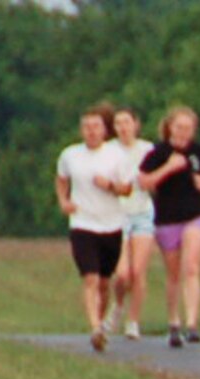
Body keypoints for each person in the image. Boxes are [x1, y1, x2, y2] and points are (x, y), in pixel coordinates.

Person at [54, 105, 133, 353]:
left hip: (111, 224)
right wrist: (63, 201)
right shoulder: (70, 155)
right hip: (82, 223)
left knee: (103, 282)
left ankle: (101, 324)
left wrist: (109, 185)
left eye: (96, 127)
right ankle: (95, 327)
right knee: (90, 278)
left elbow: (127, 189)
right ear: (81, 130)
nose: (91, 132)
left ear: (104, 130)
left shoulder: (116, 156)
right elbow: (61, 179)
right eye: (86, 127)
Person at [138, 106, 200, 347]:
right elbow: (144, 182)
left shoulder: (199, 153)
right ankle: (174, 322)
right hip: (167, 218)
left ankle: (192, 323)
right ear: (170, 128)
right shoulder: (157, 154)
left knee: (191, 267)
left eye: (188, 128)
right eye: (179, 127)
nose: (184, 133)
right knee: (173, 274)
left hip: (195, 215)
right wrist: (168, 168)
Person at [108, 107, 155, 339]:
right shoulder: (108, 151)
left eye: (127, 122)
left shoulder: (147, 150)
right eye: (118, 123)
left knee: (138, 271)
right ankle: (118, 304)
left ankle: (133, 321)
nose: (123, 128)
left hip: (142, 212)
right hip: (117, 214)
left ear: (136, 124)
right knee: (122, 274)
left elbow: (155, 182)